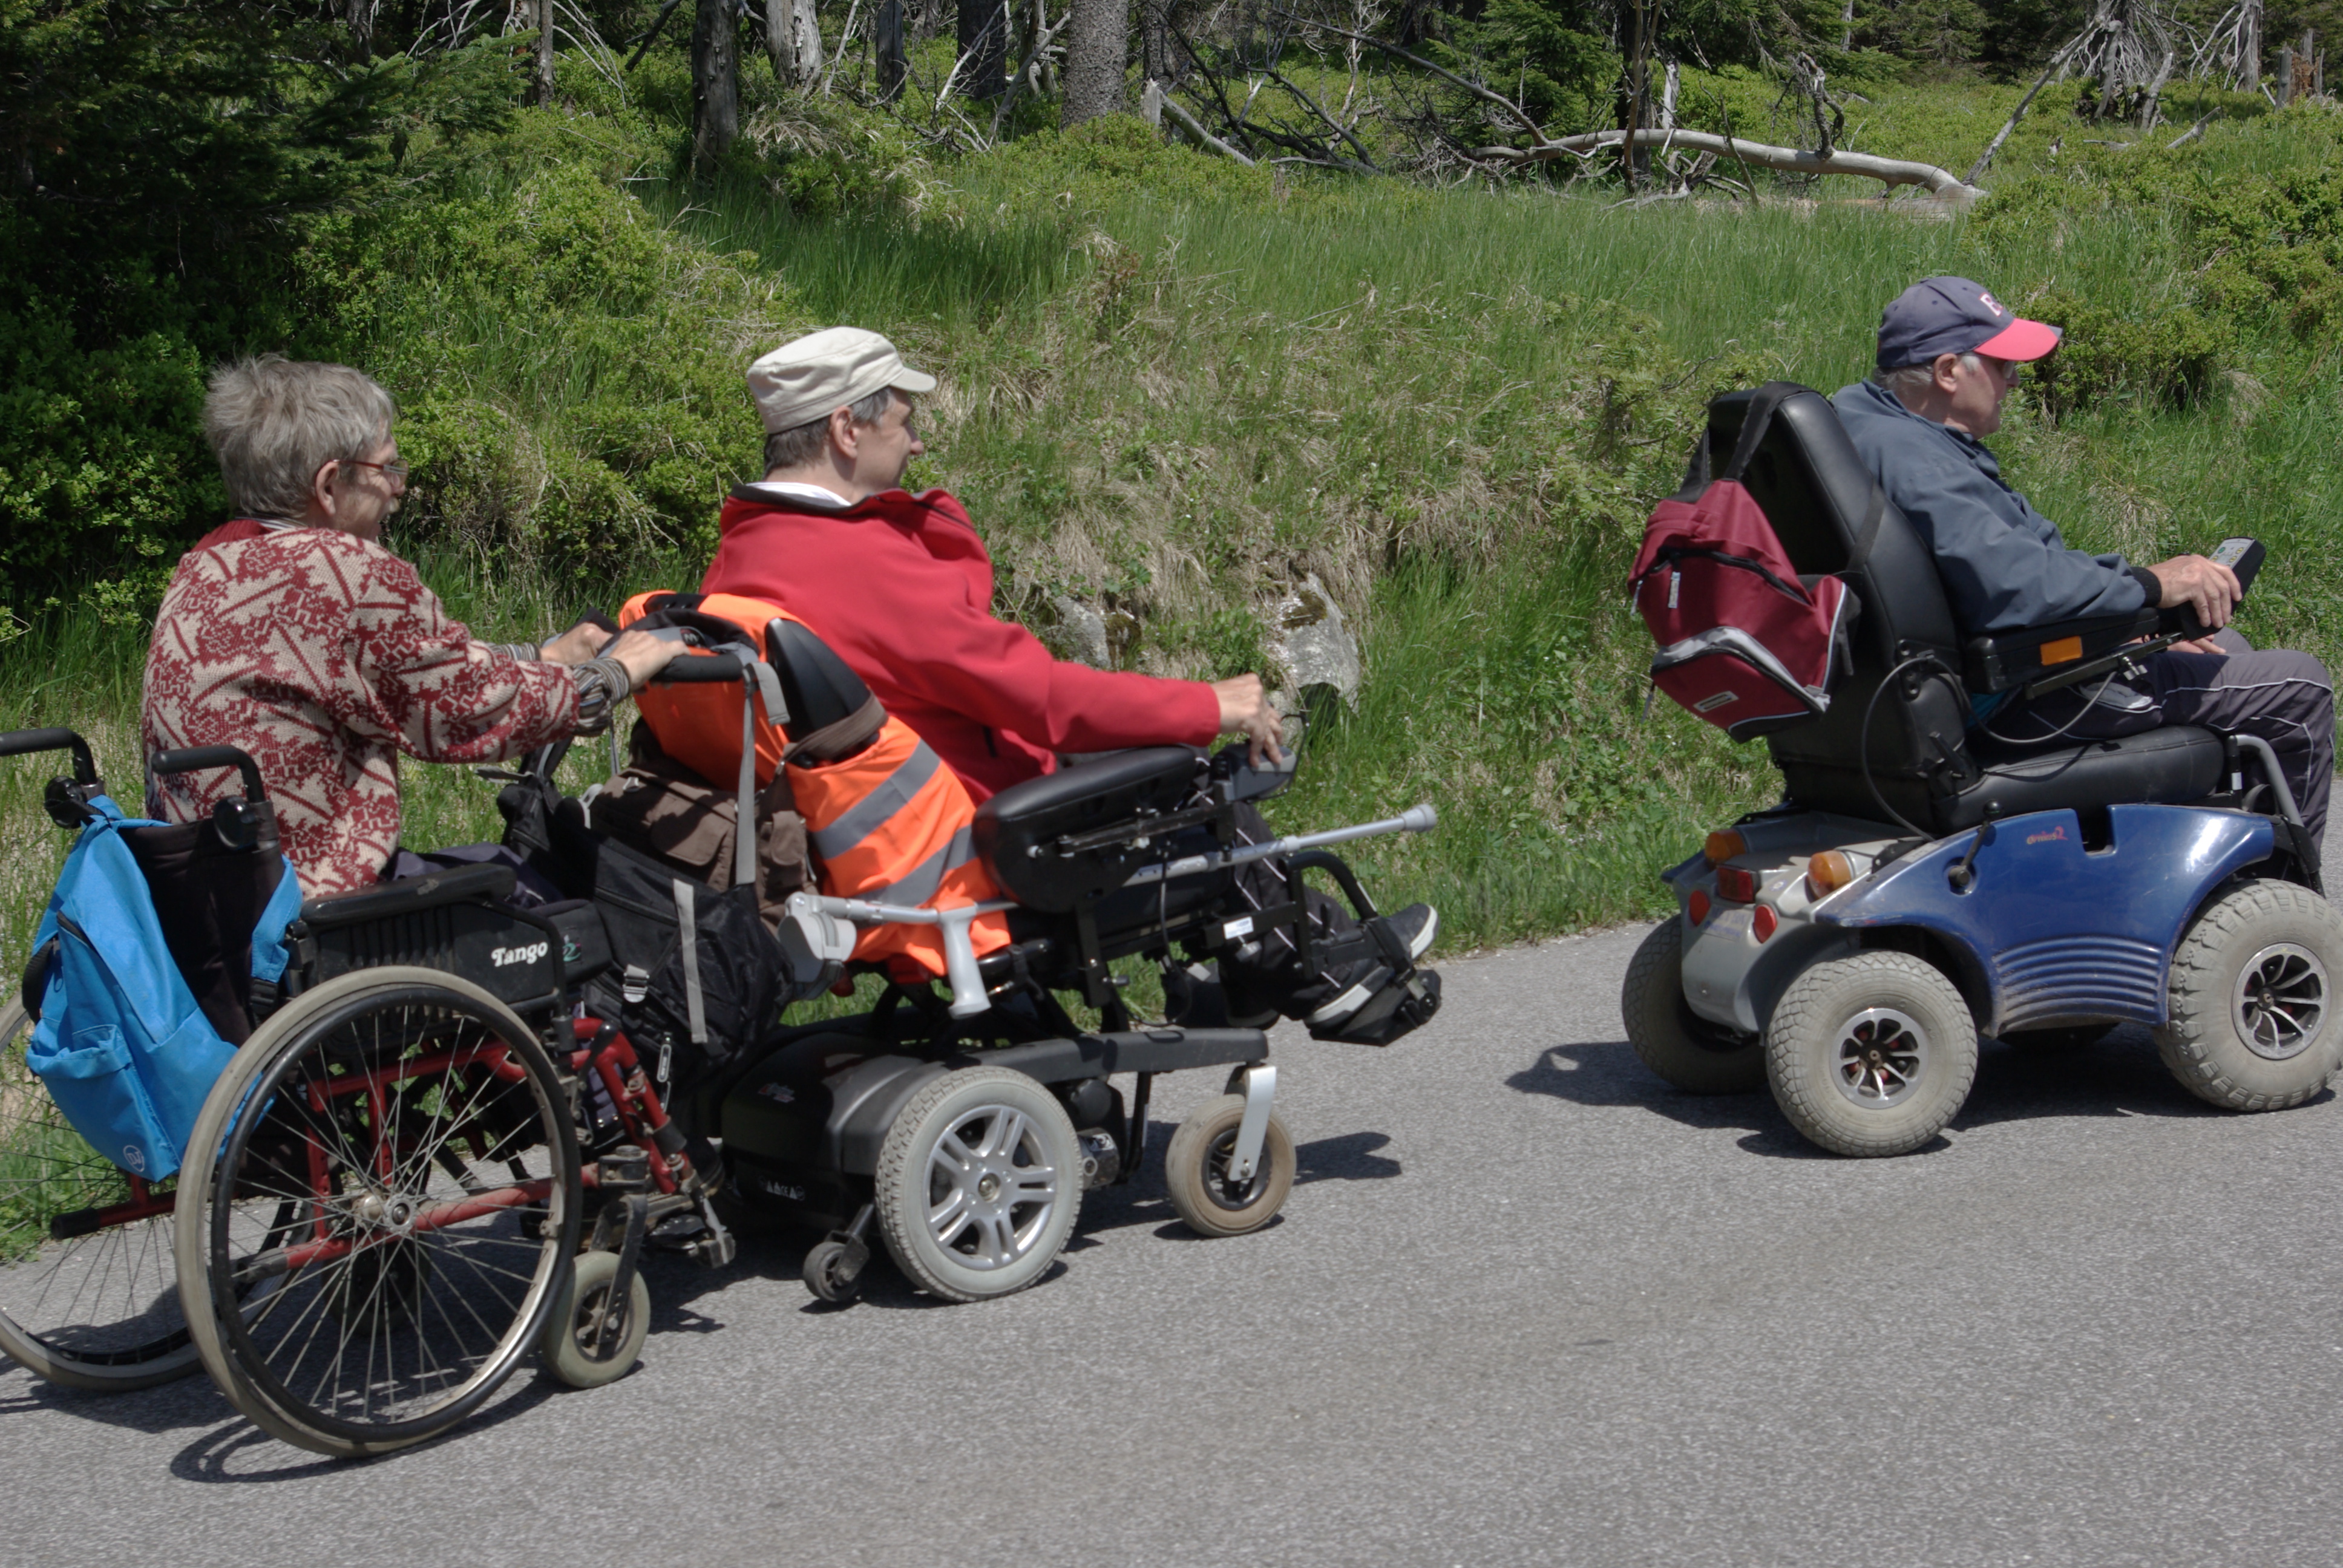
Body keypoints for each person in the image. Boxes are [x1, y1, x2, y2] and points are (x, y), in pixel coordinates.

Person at [696, 326, 1438, 1043]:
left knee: (1123, 759)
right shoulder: (855, 563)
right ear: (845, 432)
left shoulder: (743, 553)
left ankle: (1256, 973)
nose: (916, 441)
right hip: (969, 847)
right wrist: (1209, 704)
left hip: (860, 854)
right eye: (903, 419)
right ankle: (1326, 969)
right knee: (1192, 783)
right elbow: (1044, 701)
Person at [142, 355, 681, 896]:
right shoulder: (346, 574)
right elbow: (468, 710)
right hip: (314, 906)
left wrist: (542, 658)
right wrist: (616, 672)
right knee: (564, 907)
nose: (399, 488)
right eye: (388, 469)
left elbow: (389, 667)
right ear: (330, 484)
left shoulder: (210, 565)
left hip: (217, 897)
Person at [1835, 276, 2333, 849]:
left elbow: (2017, 568)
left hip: (1961, 681)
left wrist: (2135, 631)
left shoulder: (1869, 428)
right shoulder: (1921, 466)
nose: (2015, 381)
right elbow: (2018, 587)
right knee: (2301, 687)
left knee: (2227, 651)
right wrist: (2151, 588)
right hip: (2011, 703)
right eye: (2002, 366)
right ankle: (2287, 907)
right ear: (1949, 372)